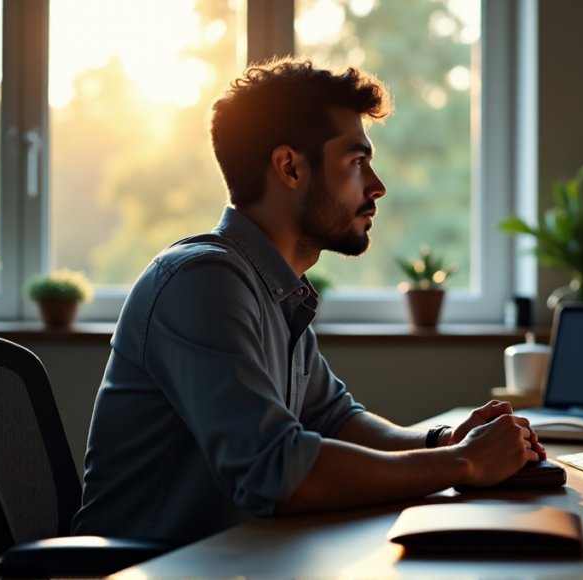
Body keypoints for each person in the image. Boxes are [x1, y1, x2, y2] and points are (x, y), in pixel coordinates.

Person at [71, 58, 545, 543]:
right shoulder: (202, 281)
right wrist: (462, 464)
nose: (377, 186)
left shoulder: (276, 288)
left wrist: (446, 441)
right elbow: (275, 471)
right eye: (356, 162)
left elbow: (334, 421)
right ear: (290, 167)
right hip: (147, 570)